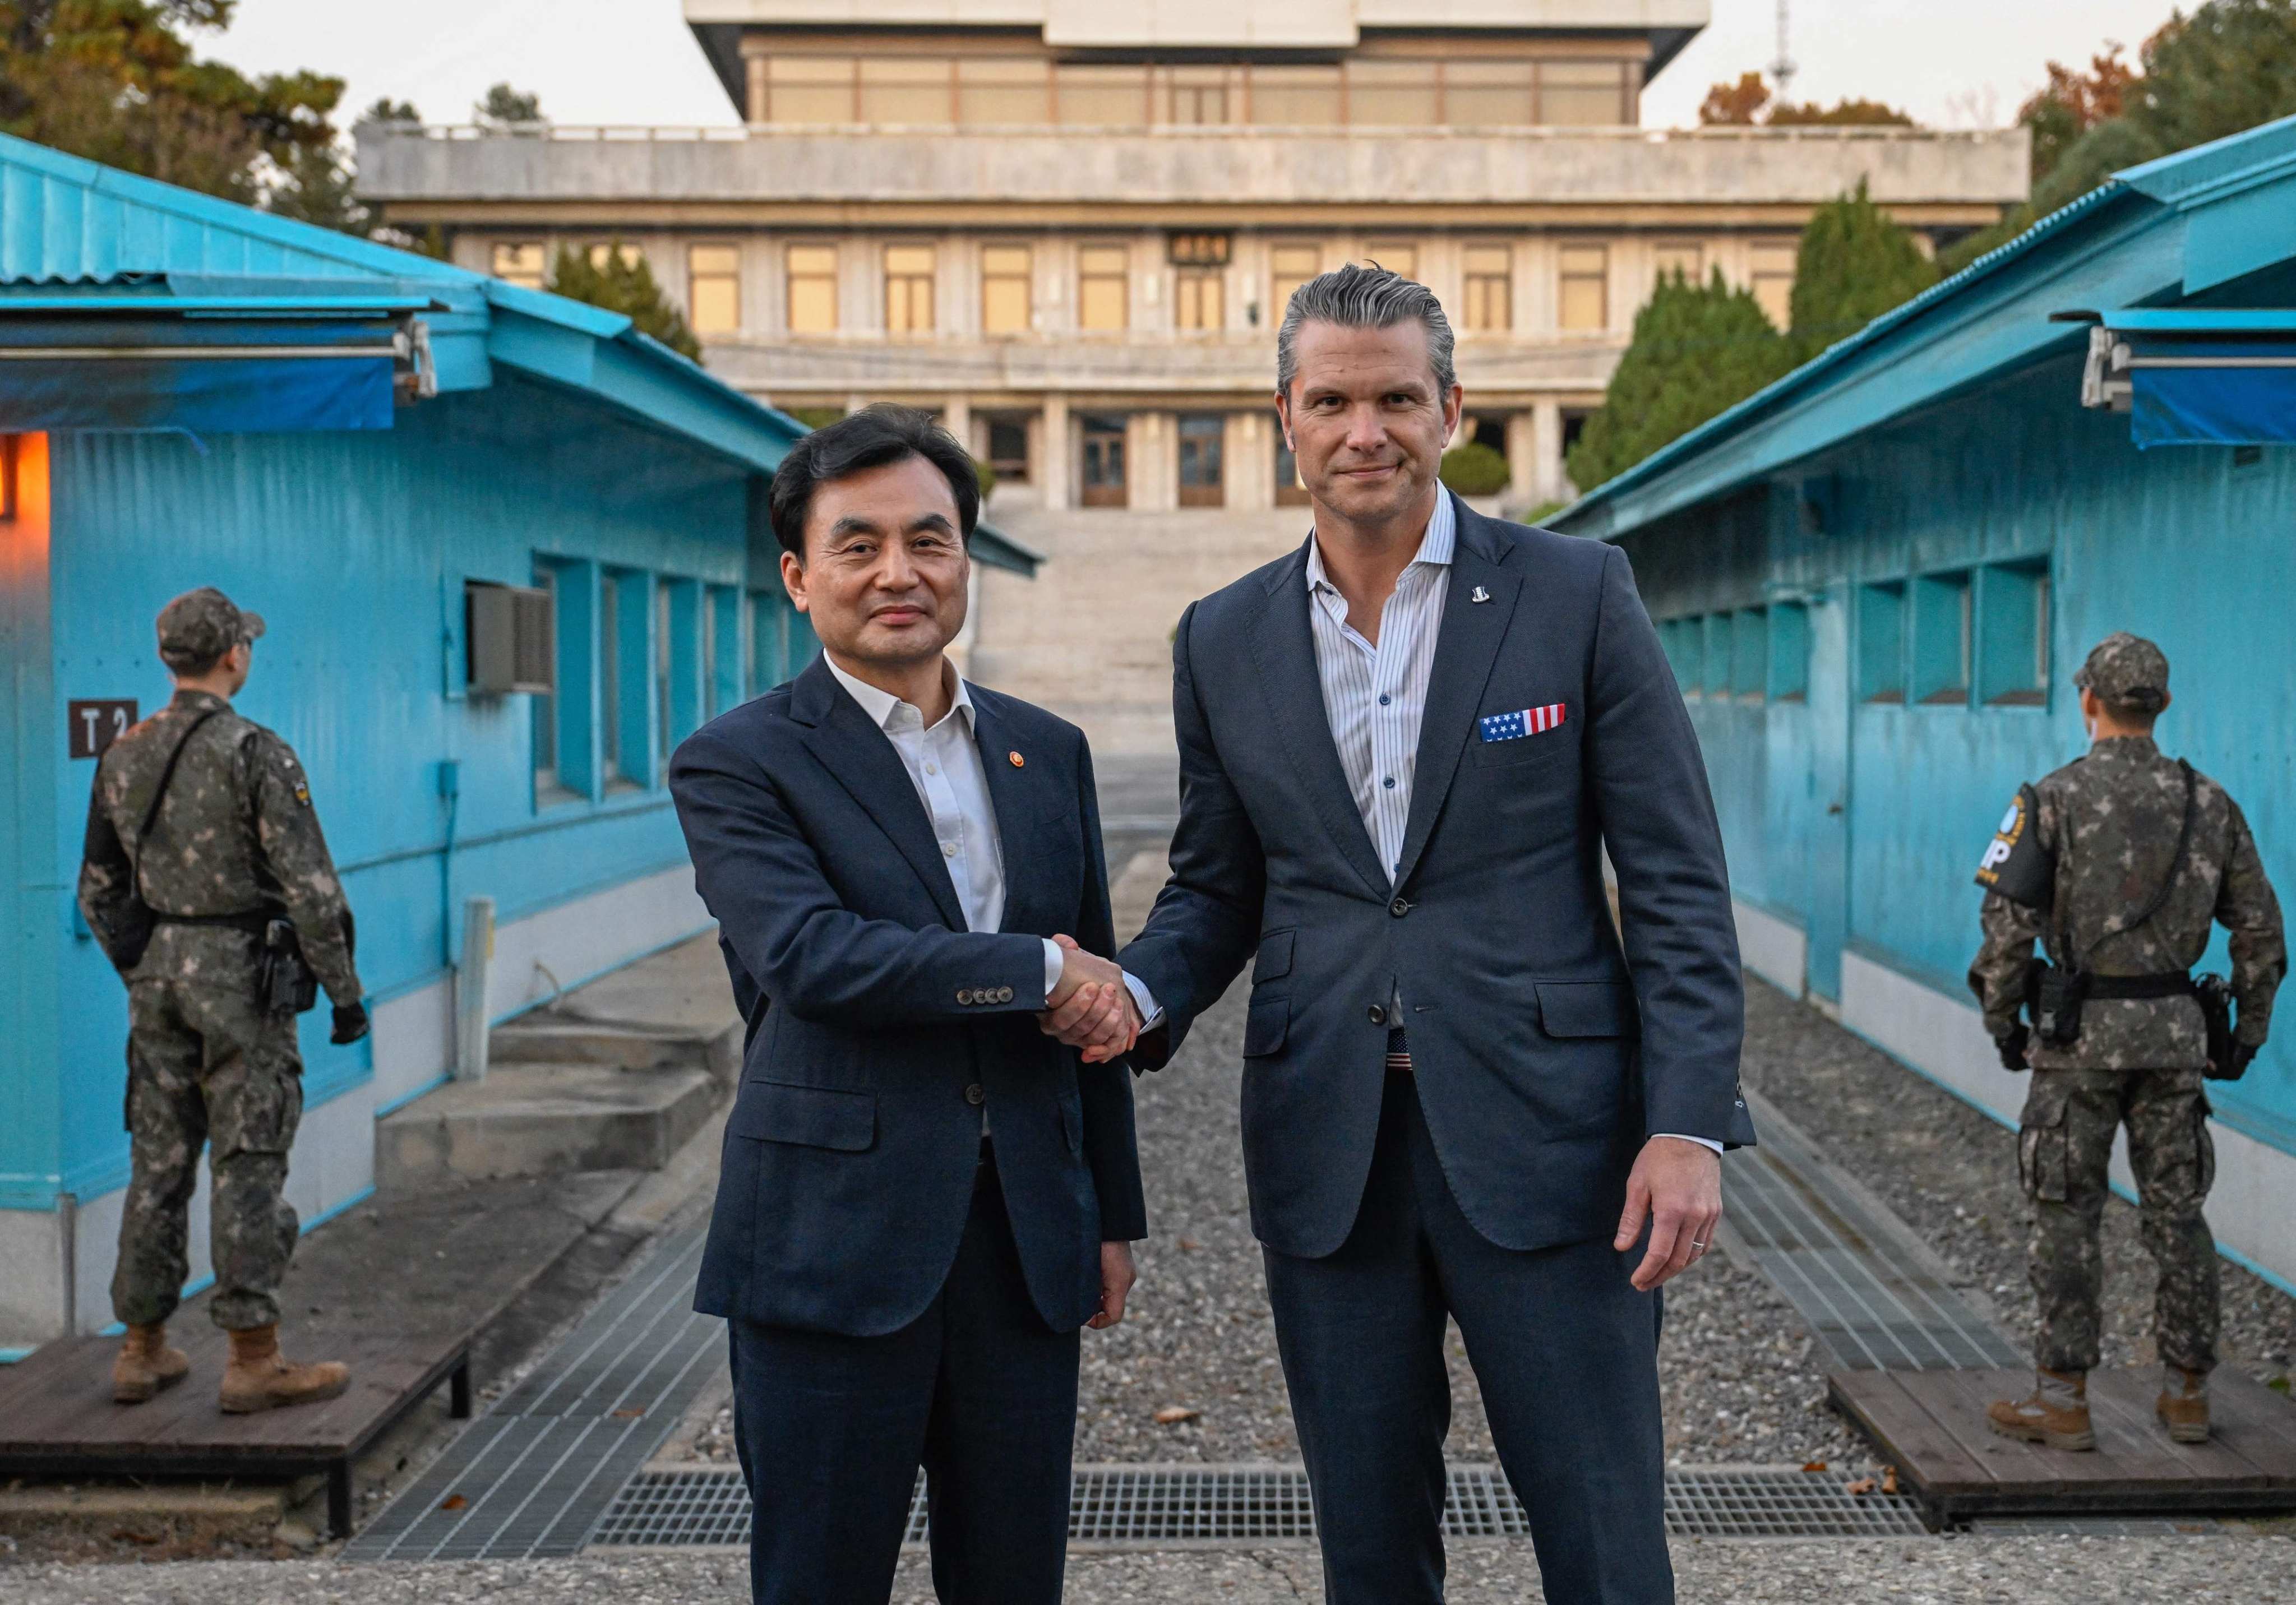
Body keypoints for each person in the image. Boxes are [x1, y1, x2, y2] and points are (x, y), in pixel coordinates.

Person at [1043, 266, 1753, 1605]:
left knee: (1601, 1535)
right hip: (1330, 1148)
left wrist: (1688, 1123)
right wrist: (1133, 991)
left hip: (1553, 1143)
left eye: (1394, 398)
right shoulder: (1222, 637)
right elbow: (1216, 887)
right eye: (1331, 400)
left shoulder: (1573, 593)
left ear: (1450, 410)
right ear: (1285, 419)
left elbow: (1672, 881)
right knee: (1367, 1543)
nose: (1362, 429)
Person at [668, 406, 1148, 1605]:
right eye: (859, 544)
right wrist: (1034, 971)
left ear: (965, 560)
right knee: (822, 1577)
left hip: (1023, 1236)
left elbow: (1096, 1003)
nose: (898, 573)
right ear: (797, 574)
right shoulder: (739, 760)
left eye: (929, 540)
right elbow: (814, 959)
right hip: (832, 1238)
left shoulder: (1048, 750)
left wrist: (1109, 1210)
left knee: (1012, 1574)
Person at [1970, 632, 2283, 1450]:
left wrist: (2005, 1025)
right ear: (2164, 705)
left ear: (2088, 702)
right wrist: (2245, 1035)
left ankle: (2062, 1398)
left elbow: (2006, 934)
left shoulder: (2048, 800)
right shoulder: (2210, 803)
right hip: (2176, 1041)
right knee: (2179, 1213)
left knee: (2065, 1216)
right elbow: (2261, 932)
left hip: (2077, 1046)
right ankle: (2187, 1394)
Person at [78, 586, 368, 1413]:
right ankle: (252, 1358)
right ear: (234, 654)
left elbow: (97, 888)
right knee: (248, 1160)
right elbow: (312, 891)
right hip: (243, 976)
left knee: (157, 1163)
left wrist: (145, 964)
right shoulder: (257, 753)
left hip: (158, 975)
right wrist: (344, 995)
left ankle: (141, 1347)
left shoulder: (123, 751)